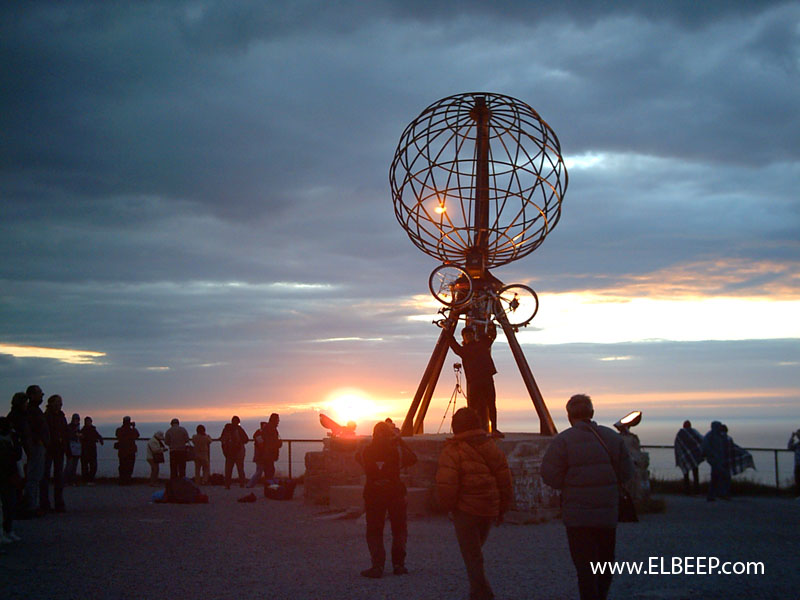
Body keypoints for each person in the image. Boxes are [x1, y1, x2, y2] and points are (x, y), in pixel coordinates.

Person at [541, 394, 634, 600]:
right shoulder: (612, 438)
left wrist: (568, 484)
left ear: (569, 416)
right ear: (592, 414)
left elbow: (549, 475)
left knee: (584, 567)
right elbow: (627, 473)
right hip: (606, 513)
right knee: (604, 563)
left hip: (577, 516)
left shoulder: (563, 441)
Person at [435, 407, 511, 599]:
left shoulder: (452, 451)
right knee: (475, 550)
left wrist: (448, 508)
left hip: (466, 510)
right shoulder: (492, 447)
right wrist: (502, 508)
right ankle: (478, 589)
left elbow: (447, 485)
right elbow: (505, 480)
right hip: (489, 508)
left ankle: (481, 592)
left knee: (472, 554)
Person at [357, 420, 417, 578]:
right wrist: (400, 440)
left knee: (374, 530)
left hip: (373, 494)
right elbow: (412, 458)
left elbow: (357, 458)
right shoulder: (397, 449)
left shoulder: (365, 450)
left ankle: (377, 566)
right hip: (395, 493)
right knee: (399, 529)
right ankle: (398, 565)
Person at [446, 323, 503, 437]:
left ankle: (494, 429)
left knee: (490, 404)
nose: (468, 336)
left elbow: (492, 335)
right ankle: (473, 431)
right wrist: (447, 331)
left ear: (473, 335)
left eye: (470, 334)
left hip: (485, 379)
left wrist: (491, 326)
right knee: (473, 408)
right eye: (466, 335)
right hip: (475, 381)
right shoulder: (465, 350)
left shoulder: (481, 344)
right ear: (464, 337)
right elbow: (452, 343)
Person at [22, 385, 48, 515]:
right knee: (33, 476)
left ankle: (33, 504)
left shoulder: (35, 410)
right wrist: (39, 441)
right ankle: (30, 506)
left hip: (38, 446)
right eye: (40, 393)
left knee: (36, 476)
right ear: (32, 395)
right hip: (36, 447)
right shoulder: (32, 411)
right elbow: (31, 429)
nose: (42, 396)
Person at [42, 395, 68, 512]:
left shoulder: (61, 417)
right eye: (58, 402)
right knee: (45, 476)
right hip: (49, 449)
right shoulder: (46, 416)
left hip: (59, 449)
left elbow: (65, 432)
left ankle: (58, 503)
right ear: (51, 403)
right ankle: (45, 503)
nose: (60, 405)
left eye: (61, 403)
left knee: (58, 476)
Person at [0, 416, 23, 543]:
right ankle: (4, 531)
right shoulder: (5, 443)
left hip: (10, 476)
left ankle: (8, 530)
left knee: (10, 504)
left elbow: (17, 455)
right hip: (6, 476)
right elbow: (14, 456)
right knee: (6, 505)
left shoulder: (9, 442)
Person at [702, 421, 730, 501]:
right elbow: (706, 447)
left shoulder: (718, 435)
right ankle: (719, 494)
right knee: (721, 477)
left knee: (717, 478)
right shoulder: (710, 436)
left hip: (719, 460)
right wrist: (712, 455)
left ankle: (714, 495)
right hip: (715, 460)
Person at [674, 420, 703, 495]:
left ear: (683, 426)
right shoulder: (694, 432)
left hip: (685, 458)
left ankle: (687, 491)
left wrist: (679, 457)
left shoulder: (680, 434)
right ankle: (696, 491)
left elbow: (677, 446)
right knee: (695, 474)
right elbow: (701, 440)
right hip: (694, 457)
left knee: (686, 475)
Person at [220, 416, 249, 489]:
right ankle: (242, 483)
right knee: (240, 469)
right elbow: (246, 439)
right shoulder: (239, 429)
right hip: (238, 452)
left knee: (228, 469)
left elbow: (222, 439)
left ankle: (227, 484)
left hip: (229, 452)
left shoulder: (226, 429)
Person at [115, 416, 140, 485]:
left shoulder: (119, 430)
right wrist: (133, 427)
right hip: (131, 451)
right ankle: (128, 480)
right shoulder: (132, 430)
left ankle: (122, 480)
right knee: (130, 466)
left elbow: (117, 435)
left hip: (122, 450)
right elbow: (137, 435)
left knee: (122, 466)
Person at [79, 416, 103, 484]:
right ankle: (86, 480)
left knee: (93, 466)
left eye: (89, 421)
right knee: (85, 466)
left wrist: (100, 439)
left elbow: (98, 435)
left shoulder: (93, 429)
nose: (88, 423)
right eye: (87, 421)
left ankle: (90, 479)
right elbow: (81, 438)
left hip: (92, 450)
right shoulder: (83, 430)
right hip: (85, 450)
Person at [64, 413, 82, 485]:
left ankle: (71, 480)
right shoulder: (69, 427)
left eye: (77, 419)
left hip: (76, 449)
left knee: (74, 466)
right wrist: (75, 435)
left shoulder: (78, 428)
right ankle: (65, 480)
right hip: (70, 449)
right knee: (69, 465)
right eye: (75, 419)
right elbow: (68, 436)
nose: (76, 420)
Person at [789, 429, 800, 496]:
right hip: (798, 465)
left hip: (798, 465)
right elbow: (789, 447)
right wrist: (792, 438)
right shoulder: (797, 445)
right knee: (798, 481)